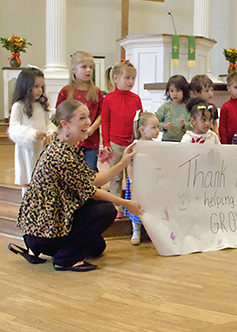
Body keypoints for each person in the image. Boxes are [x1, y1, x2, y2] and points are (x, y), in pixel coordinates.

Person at [8, 100, 143, 272]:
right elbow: (92, 191)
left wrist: (123, 163)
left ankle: (37, 250)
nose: (88, 122)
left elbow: (91, 179)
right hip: (44, 232)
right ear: (65, 125)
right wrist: (127, 203)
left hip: (42, 231)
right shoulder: (62, 155)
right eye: (82, 118)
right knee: (107, 210)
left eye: (88, 116)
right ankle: (66, 259)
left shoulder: (63, 147)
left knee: (97, 247)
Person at [102, 59, 143, 216]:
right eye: (127, 78)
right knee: (116, 177)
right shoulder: (109, 99)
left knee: (133, 177)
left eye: (133, 78)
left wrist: (140, 140)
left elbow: (140, 122)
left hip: (132, 144)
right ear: (116, 78)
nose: (131, 81)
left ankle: (133, 206)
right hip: (115, 143)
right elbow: (105, 121)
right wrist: (106, 142)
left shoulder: (136, 98)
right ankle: (116, 208)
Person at [8, 67, 54, 197]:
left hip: (41, 148)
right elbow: (14, 128)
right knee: (29, 180)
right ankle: (26, 208)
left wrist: (50, 133)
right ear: (25, 86)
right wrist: (32, 134)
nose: (40, 90)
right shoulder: (18, 106)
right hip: (27, 150)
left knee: (43, 180)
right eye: (36, 86)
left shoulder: (41, 106)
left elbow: (48, 123)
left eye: (41, 86)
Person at [56, 51, 103, 171]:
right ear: (73, 69)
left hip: (90, 140)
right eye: (84, 67)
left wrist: (92, 128)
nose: (88, 70)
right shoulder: (66, 91)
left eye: (90, 67)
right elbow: (59, 114)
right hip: (70, 140)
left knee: (90, 169)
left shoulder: (96, 91)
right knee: (70, 170)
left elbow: (101, 114)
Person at [125, 112, 160, 245]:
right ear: (142, 130)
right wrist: (132, 181)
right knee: (136, 205)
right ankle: (136, 230)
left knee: (151, 206)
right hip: (138, 181)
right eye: (154, 127)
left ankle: (151, 230)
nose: (157, 130)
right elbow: (130, 164)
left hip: (151, 181)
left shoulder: (156, 146)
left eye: (157, 127)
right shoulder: (135, 146)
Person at [156, 75, 193, 142]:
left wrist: (184, 125)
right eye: (172, 91)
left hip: (184, 141)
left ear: (184, 91)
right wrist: (164, 126)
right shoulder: (165, 107)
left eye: (178, 91)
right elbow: (155, 122)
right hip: (167, 140)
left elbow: (194, 125)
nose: (175, 94)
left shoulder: (189, 108)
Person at [219, 72, 237, 144]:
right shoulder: (225, 106)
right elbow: (222, 126)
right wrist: (224, 142)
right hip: (230, 141)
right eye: (235, 87)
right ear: (228, 88)